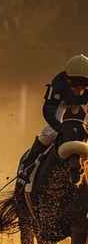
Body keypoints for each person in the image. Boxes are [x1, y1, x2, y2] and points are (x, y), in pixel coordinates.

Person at [17, 54, 88, 183]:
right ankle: (27, 167)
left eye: (83, 84)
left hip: (84, 112)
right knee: (49, 133)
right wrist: (60, 128)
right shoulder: (59, 83)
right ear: (68, 79)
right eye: (75, 83)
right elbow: (49, 109)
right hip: (61, 108)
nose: (78, 88)